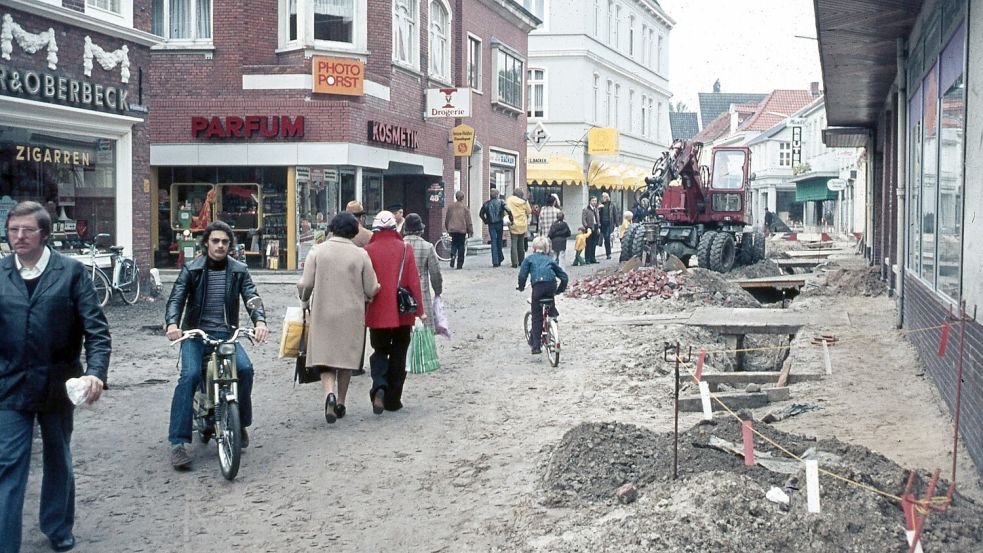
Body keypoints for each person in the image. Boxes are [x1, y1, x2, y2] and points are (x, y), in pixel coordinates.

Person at [0, 201, 110, 553]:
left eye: (27, 230)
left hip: (58, 383)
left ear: (45, 234)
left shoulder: (72, 273)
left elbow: (97, 331)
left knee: (57, 455)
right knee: (8, 464)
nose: (18, 236)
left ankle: (57, 525)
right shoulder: (0, 273)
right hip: (9, 384)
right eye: (13, 229)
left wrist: (96, 373)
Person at [165, 221, 268, 469]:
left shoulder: (239, 269)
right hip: (195, 334)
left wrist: (260, 321)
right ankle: (179, 443)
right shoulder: (192, 269)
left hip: (226, 334)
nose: (220, 245)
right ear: (207, 243)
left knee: (244, 369)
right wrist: (172, 324)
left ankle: (238, 421)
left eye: (225, 242)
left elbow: (251, 296)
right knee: (189, 376)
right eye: (215, 241)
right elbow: (176, 298)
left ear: (230, 245)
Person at [297, 213, 381, 424]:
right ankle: (341, 401)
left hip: (323, 312)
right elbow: (371, 287)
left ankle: (329, 394)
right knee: (346, 358)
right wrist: (372, 293)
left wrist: (305, 301)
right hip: (351, 313)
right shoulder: (360, 254)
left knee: (325, 357)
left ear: (332, 228)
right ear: (354, 231)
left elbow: (305, 284)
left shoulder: (317, 251)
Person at [364, 211, 424, 414]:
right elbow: (414, 281)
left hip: (377, 309)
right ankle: (393, 399)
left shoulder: (367, 250)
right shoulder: (405, 249)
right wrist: (420, 311)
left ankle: (379, 385)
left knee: (379, 349)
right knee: (399, 352)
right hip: (402, 311)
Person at [517, 236, 568, 354]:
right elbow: (564, 277)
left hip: (538, 287)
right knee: (550, 300)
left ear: (533, 248)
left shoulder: (529, 259)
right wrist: (560, 290)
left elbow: (522, 276)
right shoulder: (550, 260)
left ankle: (536, 346)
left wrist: (521, 287)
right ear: (546, 249)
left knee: (536, 316)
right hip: (551, 286)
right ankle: (553, 315)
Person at [403, 213, 443, 329]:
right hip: (422, 293)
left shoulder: (400, 245)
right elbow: (435, 273)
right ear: (420, 229)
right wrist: (437, 290)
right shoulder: (427, 247)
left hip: (402, 295)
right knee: (425, 331)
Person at [444, 191, 473, 269]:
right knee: (461, 246)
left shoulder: (451, 206)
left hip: (452, 229)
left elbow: (447, 218)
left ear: (456, 197)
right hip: (462, 230)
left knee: (454, 244)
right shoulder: (465, 207)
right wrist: (470, 231)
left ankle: (453, 255)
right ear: (463, 197)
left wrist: (448, 228)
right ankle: (459, 264)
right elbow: (468, 220)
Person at [479, 188, 508, 267]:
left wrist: (485, 220)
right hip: (499, 223)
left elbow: (481, 214)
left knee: (493, 241)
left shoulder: (486, 204)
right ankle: (499, 258)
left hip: (491, 224)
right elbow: (508, 209)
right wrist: (511, 217)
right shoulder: (501, 202)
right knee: (499, 240)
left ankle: (495, 260)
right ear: (497, 195)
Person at [506, 188, 532, 267]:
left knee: (514, 243)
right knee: (521, 243)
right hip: (522, 224)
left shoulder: (509, 200)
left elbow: (506, 210)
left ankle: (514, 262)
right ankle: (522, 261)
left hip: (513, 223)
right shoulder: (524, 201)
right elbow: (529, 211)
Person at [598, 192, 620, 260]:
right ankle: (605, 249)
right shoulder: (600, 205)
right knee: (602, 238)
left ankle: (608, 254)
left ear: (607, 197)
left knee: (607, 238)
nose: (604, 198)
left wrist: (617, 224)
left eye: (605, 197)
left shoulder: (611, 205)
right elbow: (597, 214)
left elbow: (615, 214)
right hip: (601, 224)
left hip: (609, 223)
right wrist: (598, 208)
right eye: (603, 197)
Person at [581, 196, 600, 264]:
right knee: (588, 244)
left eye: (595, 201)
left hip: (595, 227)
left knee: (594, 244)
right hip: (589, 228)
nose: (594, 202)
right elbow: (583, 220)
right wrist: (586, 227)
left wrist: (598, 226)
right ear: (590, 201)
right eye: (593, 201)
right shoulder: (586, 209)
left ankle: (593, 258)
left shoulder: (596, 209)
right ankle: (587, 259)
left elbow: (597, 218)